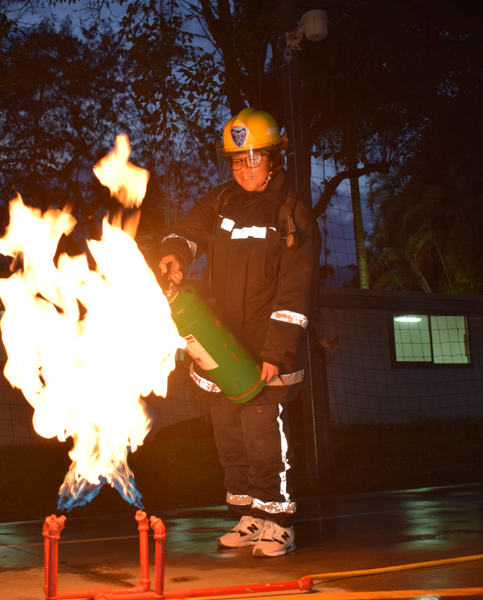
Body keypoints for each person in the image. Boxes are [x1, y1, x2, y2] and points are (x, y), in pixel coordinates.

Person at [158, 107, 320, 558]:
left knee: (262, 435)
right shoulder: (222, 202)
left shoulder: (293, 214)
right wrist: (175, 254)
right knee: (228, 433)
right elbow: (188, 232)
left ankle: (279, 521)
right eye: (236, 160)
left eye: (253, 159)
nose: (245, 169)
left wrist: (277, 350)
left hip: (265, 350)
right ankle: (250, 517)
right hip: (222, 344)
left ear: (273, 159)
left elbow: (295, 289)